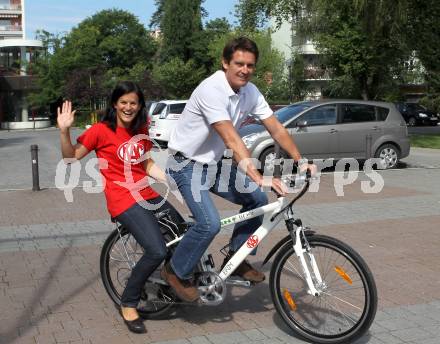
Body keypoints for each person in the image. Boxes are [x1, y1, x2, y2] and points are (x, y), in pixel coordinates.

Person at [163, 37, 317, 302]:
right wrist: (258, 177)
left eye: (250, 65)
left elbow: (276, 127)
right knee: (209, 223)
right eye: (239, 63)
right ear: (225, 63)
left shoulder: (250, 91)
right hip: (185, 165)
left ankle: (237, 256)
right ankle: (175, 271)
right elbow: (231, 139)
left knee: (256, 198)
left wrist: (300, 159)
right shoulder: (211, 90)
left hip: (210, 164)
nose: (245, 69)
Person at [58, 81, 181, 334]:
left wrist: (171, 180)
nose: (128, 107)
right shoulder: (101, 131)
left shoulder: (141, 128)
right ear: (115, 104)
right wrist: (63, 132)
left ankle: (172, 282)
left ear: (139, 106)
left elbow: (145, 165)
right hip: (122, 199)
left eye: (133, 103)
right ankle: (128, 301)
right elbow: (70, 157)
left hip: (146, 193)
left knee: (182, 233)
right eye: (123, 102)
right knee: (156, 250)